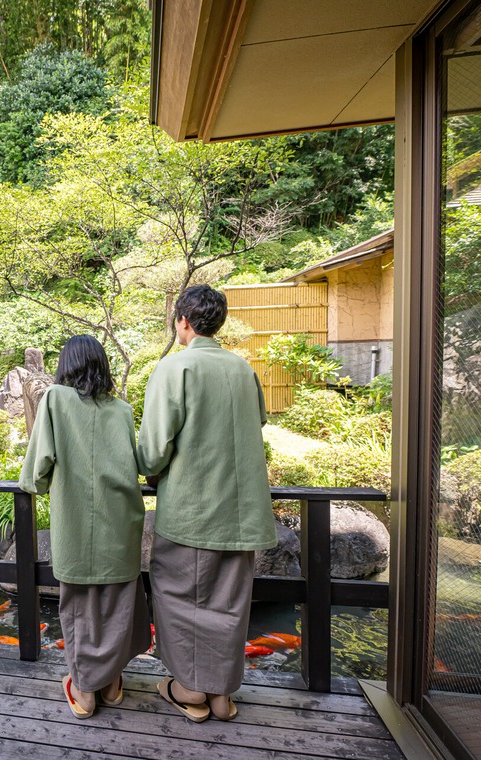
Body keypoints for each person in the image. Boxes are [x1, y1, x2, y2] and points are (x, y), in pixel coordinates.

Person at [137, 284, 275, 722]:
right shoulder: (243, 370)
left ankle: (191, 690)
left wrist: (145, 465)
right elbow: (257, 423)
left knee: (180, 599)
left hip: (192, 511)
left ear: (183, 321)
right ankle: (221, 694)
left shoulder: (174, 369)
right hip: (242, 512)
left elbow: (154, 451)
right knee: (229, 605)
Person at [19, 335, 151, 719]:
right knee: (118, 600)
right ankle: (111, 683)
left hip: (75, 518)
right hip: (121, 516)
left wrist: (35, 485)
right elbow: (135, 461)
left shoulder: (55, 399)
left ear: (66, 365)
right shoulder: (123, 410)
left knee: (78, 602)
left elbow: (38, 465)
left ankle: (85, 689)